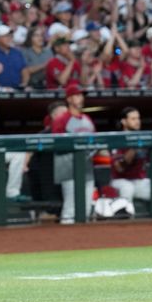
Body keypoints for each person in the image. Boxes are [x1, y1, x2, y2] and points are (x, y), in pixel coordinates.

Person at [110, 107, 152, 215]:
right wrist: (134, 147)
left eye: (138, 118)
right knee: (127, 188)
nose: (137, 122)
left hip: (139, 181)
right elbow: (119, 168)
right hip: (119, 181)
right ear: (124, 121)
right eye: (133, 119)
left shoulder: (144, 137)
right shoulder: (117, 138)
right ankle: (126, 222)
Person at [51, 83, 96, 224]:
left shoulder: (87, 119)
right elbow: (56, 145)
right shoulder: (61, 120)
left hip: (86, 167)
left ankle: (83, 242)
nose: (81, 98)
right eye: (77, 95)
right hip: (68, 168)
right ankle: (65, 243)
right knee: (70, 208)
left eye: (81, 95)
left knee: (87, 208)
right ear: (69, 99)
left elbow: (95, 142)